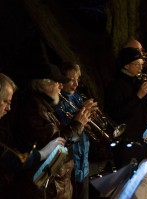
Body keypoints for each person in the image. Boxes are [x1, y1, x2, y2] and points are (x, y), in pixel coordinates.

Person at [12, 63, 95, 199]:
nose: (61, 87)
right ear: (44, 86)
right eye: (58, 83)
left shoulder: (44, 106)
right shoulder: (34, 109)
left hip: (58, 185)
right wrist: (77, 124)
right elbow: (55, 144)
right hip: (47, 189)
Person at [0, 73, 65, 199]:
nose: (8, 108)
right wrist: (42, 154)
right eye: (5, 101)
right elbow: (9, 159)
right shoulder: (32, 107)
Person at [104, 47, 147, 169]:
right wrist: (138, 95)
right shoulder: (115, 85)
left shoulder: (137, 81)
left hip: (145, 138)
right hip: (128, 143)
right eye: (137, 64)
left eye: (142, 64)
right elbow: (117, 114)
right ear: (126, 66)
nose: (141, 67)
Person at [54, 61, 98, 199]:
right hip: (69, 164)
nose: (76, 84)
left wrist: (91, 116)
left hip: (84, 162)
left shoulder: (78, 96)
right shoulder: (57, 101)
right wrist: (82, 112)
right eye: (71, 80)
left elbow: (84, 125)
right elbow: (63, 128)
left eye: (77, 79)